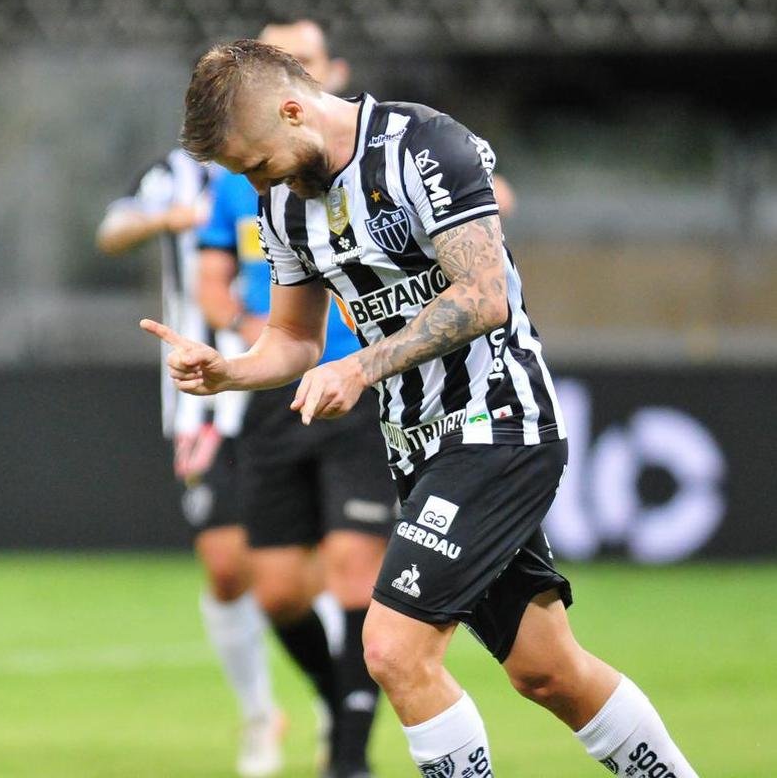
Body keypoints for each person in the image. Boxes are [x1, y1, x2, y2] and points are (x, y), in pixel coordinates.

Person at [144, 39, 699, 777]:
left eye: (254, 161)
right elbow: (292, 339)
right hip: (418, 449)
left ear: (291, 110)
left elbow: (482, 295)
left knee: (391, 648)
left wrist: (364, 364)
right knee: (546, 671)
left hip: (498, 426)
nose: (255, 180)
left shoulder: (425, 147)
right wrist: (232, 371)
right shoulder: (283, 204)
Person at [196, 19, 395, 778]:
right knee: (276, 591)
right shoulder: (248, 182)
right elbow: (212, 277)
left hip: (361, 388)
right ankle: (337, 697)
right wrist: (236, 335)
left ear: (319, 77)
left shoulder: (379, 157)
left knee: (353, 572)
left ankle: (347, 758)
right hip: (275, 382)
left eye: (307, 62)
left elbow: (482, 192)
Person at [96, 151, 284, 777]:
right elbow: (112, 230)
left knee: (313, 567)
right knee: (227, 564)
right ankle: (260, 714)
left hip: (289, 374)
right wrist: (170, 218)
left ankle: (344, 707)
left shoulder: (314, 153)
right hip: (202, 395)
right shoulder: (173, 174)